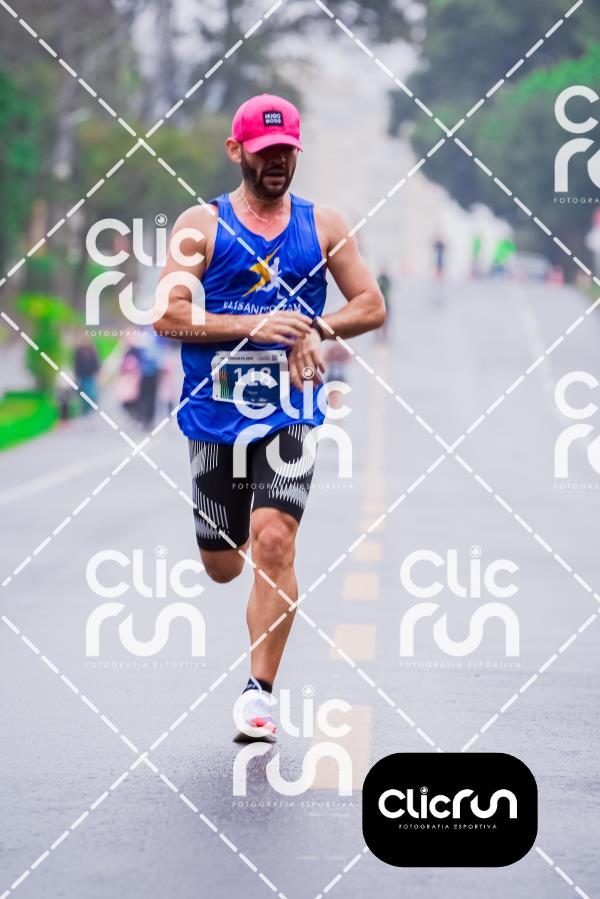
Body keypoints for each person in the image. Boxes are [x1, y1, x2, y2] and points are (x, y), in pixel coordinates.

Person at [155, 93, 385, 741]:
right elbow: (167, 315)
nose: (278, 162)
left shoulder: (323, 226)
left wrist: (317, 327)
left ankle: (259, 695)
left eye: (287, 151)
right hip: (214, 417)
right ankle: (231, 545)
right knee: (223, 563)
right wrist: (251, 325)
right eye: (265, 152)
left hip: (291, 411)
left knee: (275, 538)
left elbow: (371, 304)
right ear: (237, 152)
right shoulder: (201, 226)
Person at [73, 336, 100, 415]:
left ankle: (89, 410)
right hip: (82, 376)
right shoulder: (79, 351)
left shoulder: (92, 350)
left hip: (90, 375)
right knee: (85, 394)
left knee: (92, 394)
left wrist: (96, 371)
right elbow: (76, 363)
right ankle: (85, 411)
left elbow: (96, 361)